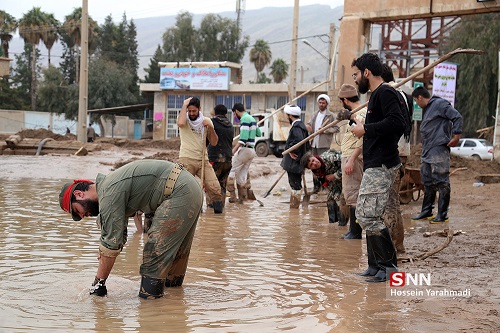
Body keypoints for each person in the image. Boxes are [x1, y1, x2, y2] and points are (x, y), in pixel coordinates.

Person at [58, 159, 203, 299]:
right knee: (173, 270)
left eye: (77, 211)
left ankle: (150, 312)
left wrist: (98, 284)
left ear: (79, 194)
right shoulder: (111, 186)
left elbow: (112, 244)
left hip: (178, 192)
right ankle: (170, 310)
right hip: (188, 188)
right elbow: (117, 237)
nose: (82, 216)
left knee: (152, 264)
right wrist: (106, 250)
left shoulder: (108, 193)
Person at [350, 53, 405, 283]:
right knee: (366, 215)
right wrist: (362, 127)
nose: (355, 81)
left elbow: (398, 123)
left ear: (366, 73)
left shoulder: (385, 92)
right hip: (375, 162)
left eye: (356, 75)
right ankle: (375, 267)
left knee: (367, 214)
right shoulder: (375, 96)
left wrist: (366, 130)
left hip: (382, 163)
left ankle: (390, 269)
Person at [411, 86, 462, 223]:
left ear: (420, 97)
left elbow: (457, 116)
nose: (417, 104)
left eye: (416, 101)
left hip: (438, 148)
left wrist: (456, 136)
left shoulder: (439, 104)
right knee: (427, 181)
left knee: (441, 181)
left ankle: (442, 214)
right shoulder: (428, 109)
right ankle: (427, 210)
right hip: (427, 150)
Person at [381, 64, 414, 253]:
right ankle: (396, 245)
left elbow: (394, 125)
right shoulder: (401, 94)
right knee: (391, 201)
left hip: (396, 152)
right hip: (400, 150)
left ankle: (395, 247)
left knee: (390, 201)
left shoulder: (390, 94)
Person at [177, 97, 224, 213]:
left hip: (203, 159)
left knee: (215, 188)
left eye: (194, 111)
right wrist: (184, 105)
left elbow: (214, 142)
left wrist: (211, 128)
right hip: (186, 159)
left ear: (200, 109)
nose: (192, 114)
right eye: (190, 111)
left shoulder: (206, 121)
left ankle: (218, 221)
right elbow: (180, 123)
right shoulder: (185, 119)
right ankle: (187, 213)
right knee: (183, 188)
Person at [336, 83, 366, 239]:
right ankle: (352, 230)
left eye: (341, 101)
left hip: (352, 158)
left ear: (345, 100)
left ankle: (356, 232)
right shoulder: (354, 114)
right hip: (348, 156)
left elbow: (362, 139)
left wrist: (351, 160)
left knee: (354, 195)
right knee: (350, 194)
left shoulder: (360, 113)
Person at [227, 103, 261, 204]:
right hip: (252, 150)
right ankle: (242, 199)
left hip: (245, 150)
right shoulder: (252, 119)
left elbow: (243, 139)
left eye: (234, 113)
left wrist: (233, 150)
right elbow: (258, 133)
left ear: (236, 111)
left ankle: (233, 197)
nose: (235, 116)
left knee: (231, 172)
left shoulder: (245, 119)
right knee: (242, 175)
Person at [306, 94, 337, 194]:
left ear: (327, 104)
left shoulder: (331, 115)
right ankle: (316, 186)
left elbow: (336, 128)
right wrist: (308, 127)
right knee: (313, 166)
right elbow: (309, 124)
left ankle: (325, 186)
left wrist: (325, 130)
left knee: (324, 166)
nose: (321, 104)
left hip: (323, 144)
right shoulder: (315, 114)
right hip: (313, 143)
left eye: (323, 103)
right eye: (320, 102)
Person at [301, 150, 343, 223]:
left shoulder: (330, 158)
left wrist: (335, 176)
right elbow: (324, 183)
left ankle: (343, 223)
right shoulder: (317, 172)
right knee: (330, 200)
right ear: (310, 169)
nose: (315, 163)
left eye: (313, 160)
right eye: (311, 165)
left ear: (314, 157)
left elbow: (347, 164)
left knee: (341, 201)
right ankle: (333, 224)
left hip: (346, 177)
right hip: (335, 183)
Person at [280, 105, 310, 208]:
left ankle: (294, 209)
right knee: (295, 184)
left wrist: (291, 150)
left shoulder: (297, 127)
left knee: (295, 185)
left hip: (295, 162)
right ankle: (294, 208)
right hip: (297, 161)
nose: (287, 117)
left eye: (287, 115)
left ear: (290, 115)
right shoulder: (300, 126)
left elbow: (298, 141)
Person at [208, 104, 234, 209]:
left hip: (215, 158)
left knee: (212, 184)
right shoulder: (230, 125)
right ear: (225, 114)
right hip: (228, 159)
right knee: (222, 184)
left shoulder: (212, 123)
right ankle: (220, 207)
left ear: (215, 112)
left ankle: (211, 207)